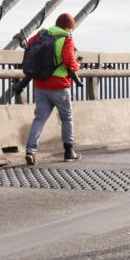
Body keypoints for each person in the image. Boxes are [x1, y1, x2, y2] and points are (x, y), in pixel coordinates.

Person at [24, 13, 82, 165]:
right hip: (59, 86)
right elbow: (69, 60)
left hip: (41, 84)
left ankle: (30, 151)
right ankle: (69, 152)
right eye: (71, 28)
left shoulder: (41, 34)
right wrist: (77, 66)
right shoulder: (66, 38)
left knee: (39, 119)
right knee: (67, 118)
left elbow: (29, 46)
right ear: (68, 27)